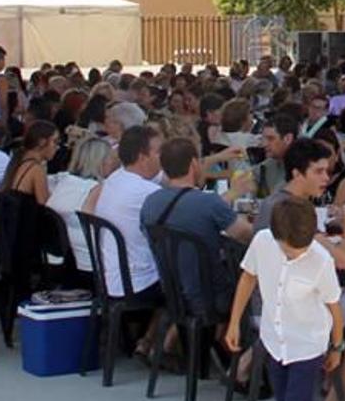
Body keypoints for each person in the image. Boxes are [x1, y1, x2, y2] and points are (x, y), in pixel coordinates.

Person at [253, 138, 345, 401]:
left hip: (265, 305)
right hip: (296, 312)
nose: (326, 178)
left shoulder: (271, 203)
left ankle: (331, 377)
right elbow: (343, 261)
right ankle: (337, 392)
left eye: (327, 171)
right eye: (318, 172)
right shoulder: (293, 211)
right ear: (296, 173)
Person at [225, 196, 345, 401]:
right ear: (277, 237)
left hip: (307, 347)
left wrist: (337, 347)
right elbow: (248, 278)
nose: (299, 254)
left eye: (303, 247)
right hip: (275, 341)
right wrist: (233, 322)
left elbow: (334, 307)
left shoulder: (320, 260)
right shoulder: (262, 242)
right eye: (291, 249)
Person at [141, 137, 253, 325]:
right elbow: (245, 235)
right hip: (210, 295)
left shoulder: (149, 202)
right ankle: (239, 347)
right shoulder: (208, 202)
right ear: (193, 164)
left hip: (171, 291)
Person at [94, 126, 165, 356]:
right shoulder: (145, 192)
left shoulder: (115, 179)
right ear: (143, 157)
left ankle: (155, 342)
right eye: (158, 152)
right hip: (135, 282)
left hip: (110, 277)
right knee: (185, 283)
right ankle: (154, 344)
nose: (162, 157)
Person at [47, 136, 118, 280]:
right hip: (90, 261)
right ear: (100, 161)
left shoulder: (65, 182)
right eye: (111, 158)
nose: (115, 162)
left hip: (64, 256)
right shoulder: (96, 189)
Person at [1, 120, 58, 204]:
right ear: (41, 142)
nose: (57, 147)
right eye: (55, 142)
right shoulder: (36, 169)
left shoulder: (18, 161)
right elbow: (45, 205)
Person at [259, 114, 298, 197]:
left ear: (288, 139)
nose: (264, 144)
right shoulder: (269, 163)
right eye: (263, 138)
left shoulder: (302, 167)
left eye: (270, 139)